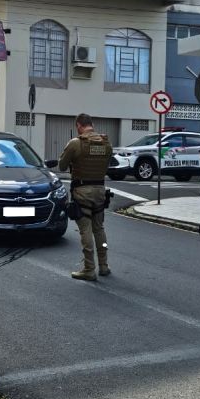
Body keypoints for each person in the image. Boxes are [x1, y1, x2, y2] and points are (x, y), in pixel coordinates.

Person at [58, 113, 113, 281]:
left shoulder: (76, 143)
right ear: (92, 124)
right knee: (99, 229)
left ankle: (89, 269)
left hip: (83, 192)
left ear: (79, 126)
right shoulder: (106, 143)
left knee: (85, 231)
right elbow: (106, 164)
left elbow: (61, 166)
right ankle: (104, 265)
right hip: (100, 192)